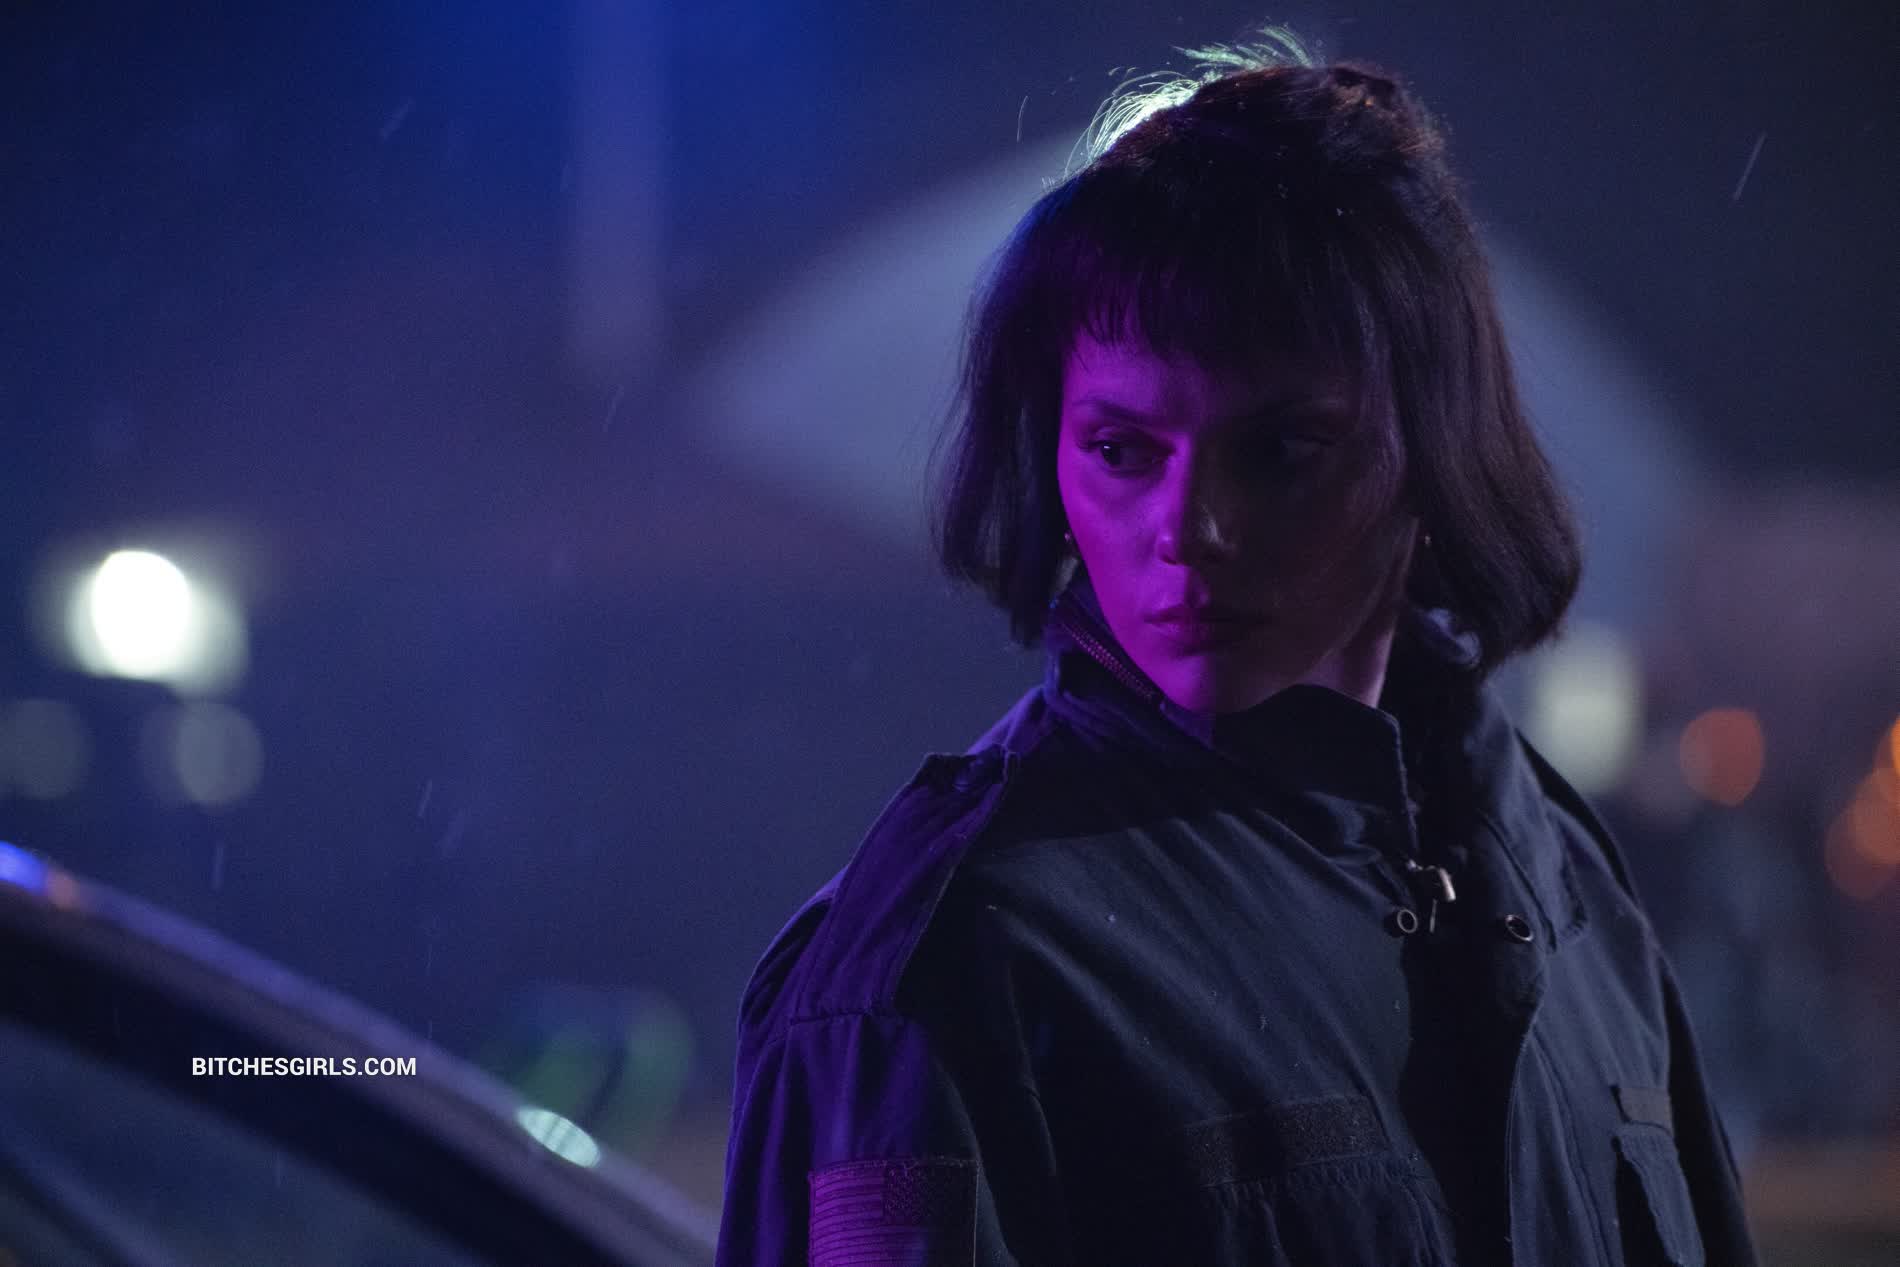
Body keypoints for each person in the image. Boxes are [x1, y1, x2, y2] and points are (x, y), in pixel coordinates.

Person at [716, 29, 1757, 1266]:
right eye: (1122, 450)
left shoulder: (1565, 882)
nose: (1189, 528)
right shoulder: (962, 957)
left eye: (1280, 449)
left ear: (1432, 450)